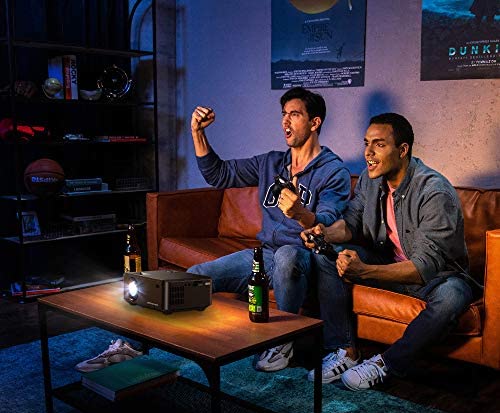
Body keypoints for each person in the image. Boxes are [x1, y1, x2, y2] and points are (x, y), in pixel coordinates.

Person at [302, 113, 473, 390]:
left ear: (402, 150)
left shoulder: (434, 191)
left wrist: (365, 271)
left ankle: (386, 364)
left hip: (437, 278)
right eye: (366, 143)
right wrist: (324, 233)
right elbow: (352, 223)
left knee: (453, 296)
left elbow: (425, 266)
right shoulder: (371, 180)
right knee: (326, 254)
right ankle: (345, 351)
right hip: (389, 264)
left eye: (379, 144)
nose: (368, 153)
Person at [188, 87, 351, 372]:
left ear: (314, 123)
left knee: (288, 255)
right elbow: (219, 175)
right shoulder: (271, 163)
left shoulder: (333, 171)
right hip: (264, 257)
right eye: (284, 114)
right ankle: (155, 339)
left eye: (295, 114)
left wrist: (299, 213)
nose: (285, 121)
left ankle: (282, 341)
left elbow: (326, 223)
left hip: (303, 257)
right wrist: (197, 133)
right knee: (195, 276)